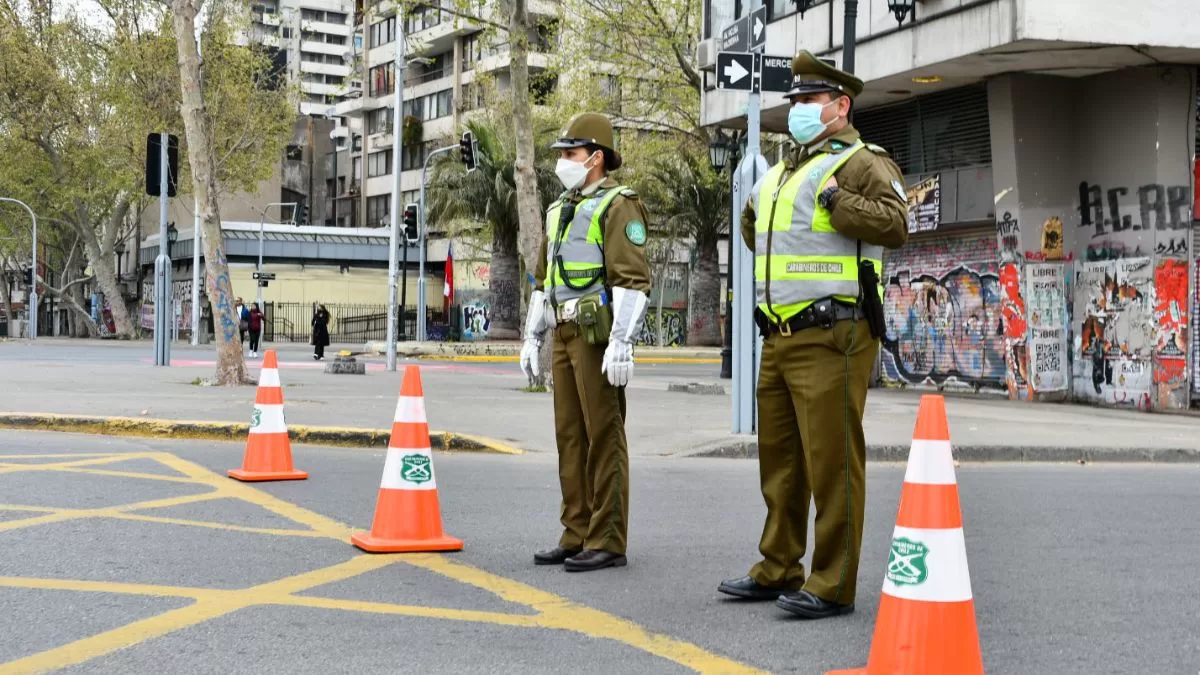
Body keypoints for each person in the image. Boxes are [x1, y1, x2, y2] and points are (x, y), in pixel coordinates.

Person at [717, 51, 909, 619]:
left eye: (808, 100)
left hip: (834, 334)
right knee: (780, 463)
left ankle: (833, 582)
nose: (796, 108)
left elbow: (896, 223)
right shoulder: (783, 168)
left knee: (832, 463)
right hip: (778, 337)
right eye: (794, 100)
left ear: (840, 105)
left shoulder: (861, 162)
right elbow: (757, 228)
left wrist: (838, 202)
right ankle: (778, 566)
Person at [519, 112, 652, 573]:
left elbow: (632, 281)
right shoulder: (559, 209)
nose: (562, 162)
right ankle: (575, 531)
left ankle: (607, 537)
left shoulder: (619, 206)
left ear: (596, 158)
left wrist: (622, 343)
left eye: (570, 154)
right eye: (560, 154)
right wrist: (533, 334)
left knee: (604, 435)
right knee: (570, 437)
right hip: (563, 333)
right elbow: (543, 279)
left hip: (597, 334)